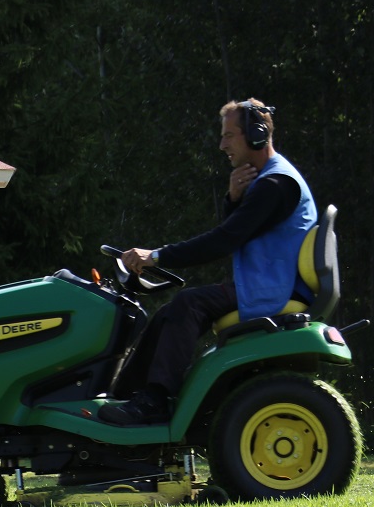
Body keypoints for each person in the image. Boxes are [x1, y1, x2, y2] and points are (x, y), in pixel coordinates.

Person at [99, 99, 318, 425]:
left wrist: (156, 256)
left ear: (256, 135)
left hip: (274, 289)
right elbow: (238, 231)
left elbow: (224, 240)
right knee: (170, 313)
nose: (222, 145)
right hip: (271, 283)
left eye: (229, 135)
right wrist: (233, 199)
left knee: (188, 304)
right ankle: (123, 398)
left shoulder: (274, 185)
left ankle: (153, 402)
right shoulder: (271, 180)